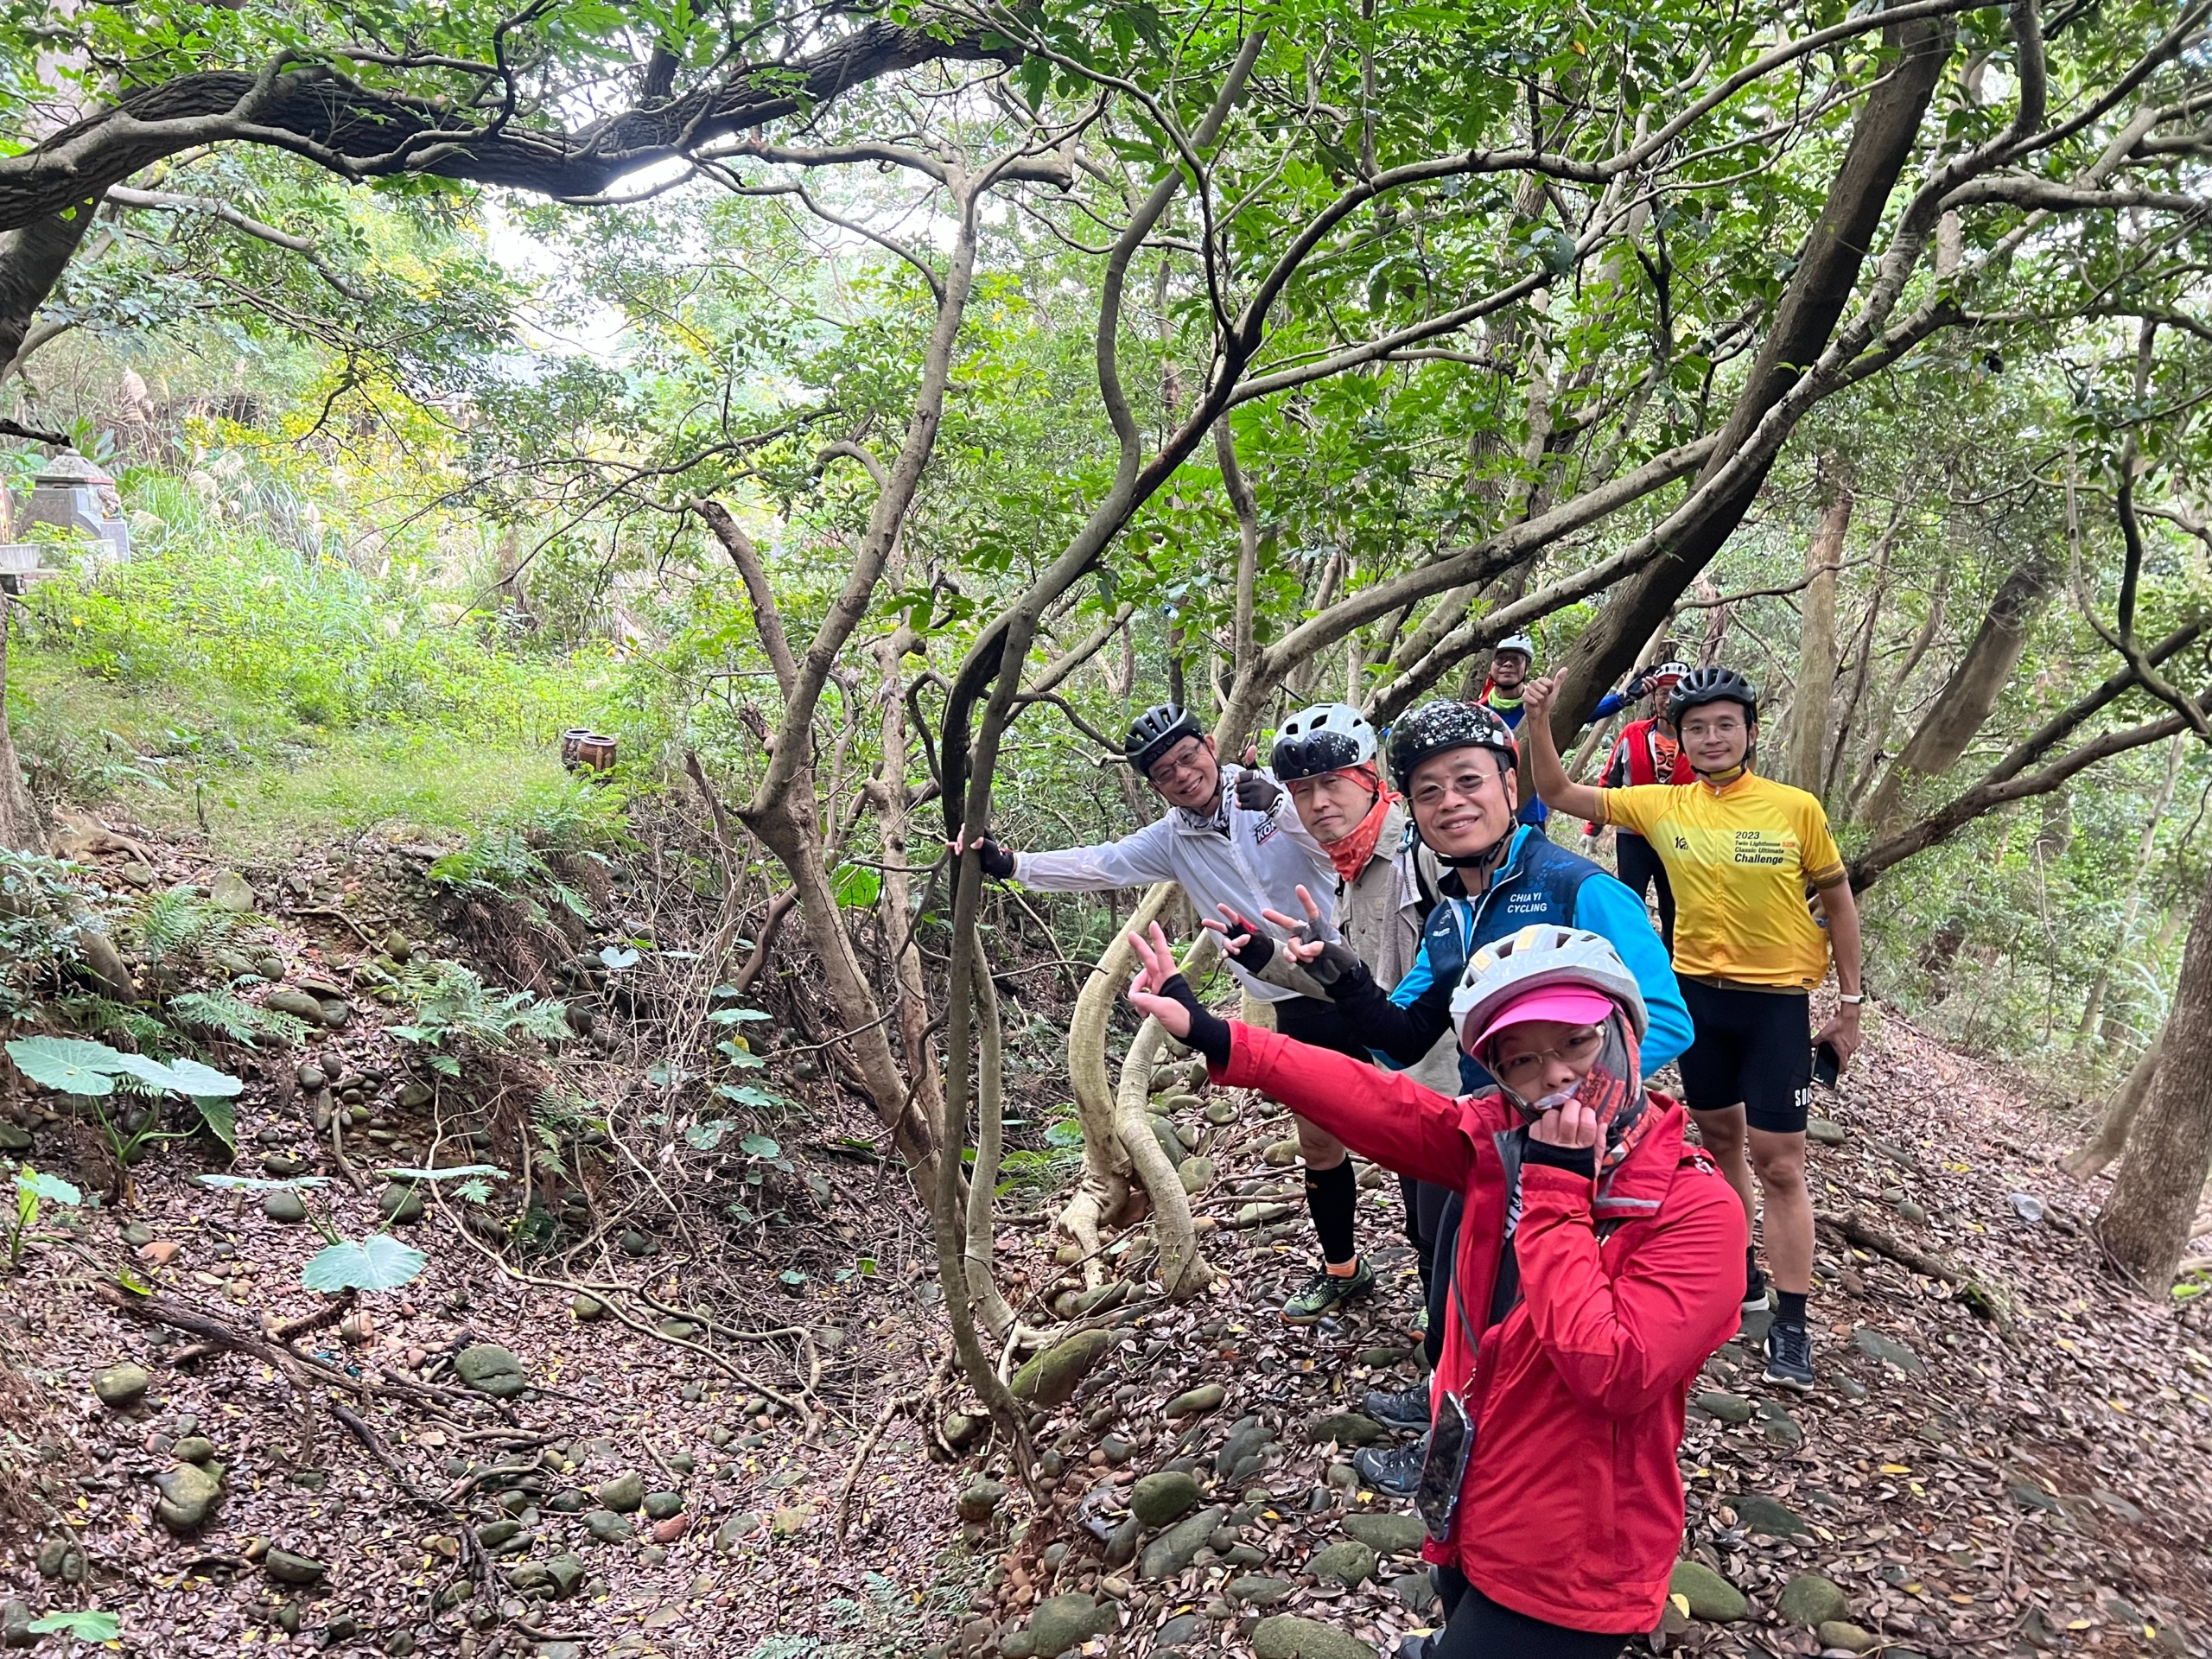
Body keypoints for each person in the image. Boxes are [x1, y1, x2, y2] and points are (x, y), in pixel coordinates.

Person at [1126, 921, 1744, 1659]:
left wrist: (1556, 1191)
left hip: (1575, 1555)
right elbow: (1377, 1101)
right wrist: (1220, 1037)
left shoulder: (1695, 1209)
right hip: (1473, 1492)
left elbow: (1611, 1370)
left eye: (1577, 1043)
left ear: (1625, 1032)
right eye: (1522, 1060)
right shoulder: (1500, 1142)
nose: (1556, 1077)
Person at [1218, 699, 1693, 1491]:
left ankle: (1497, 1470)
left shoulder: (1579, 888)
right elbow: (1400, 1038)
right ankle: (1454, 1426)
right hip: (1486, 1145)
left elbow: (1666, 1019)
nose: (1451, 803)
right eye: (1429, 791)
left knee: (1543, 1317)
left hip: (1575, 1151)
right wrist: (1338, 972)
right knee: (1465, 1291)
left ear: (1510, 786)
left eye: (1468, 782)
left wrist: (1554, 1105)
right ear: (1412, 807)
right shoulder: (1454, 915)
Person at [956, 702, 1378, 1325]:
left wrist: (1280, 808)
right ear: (1154, 786)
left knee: (1418, 1106)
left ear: (1210, 745)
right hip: (1289, 994)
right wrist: (1013, 865)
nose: (1183, 775)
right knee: (1319, 1142)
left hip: (1365, 966)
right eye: (1165, 772)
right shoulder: (1172, 840)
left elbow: (1353, 836)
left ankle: (1448, 1256)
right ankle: (1343, 1267)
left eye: (1188, 757)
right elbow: (1100, 863)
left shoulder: (1280, 790)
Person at [1518, 664, 1866, 1392]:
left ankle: (1793, 1322)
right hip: (1698, 999)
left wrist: (1851, 1004)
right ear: (1678, 738)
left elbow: (1838, 903)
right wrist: (1542, 720)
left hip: (1775, 1004)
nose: (1711, 738)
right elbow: (1558, 792)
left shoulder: (1795, 808)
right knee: (1722, 1143)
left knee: (1781, 1163)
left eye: (1725, 725)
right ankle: (1741, 1276)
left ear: (1750, 732)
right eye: (1696, 728)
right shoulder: (1663, 804)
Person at [1201, 703, 1461, 1380]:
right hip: (1415, 1085)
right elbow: (1360, 987)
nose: (1318, 803)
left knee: (1450, 1237)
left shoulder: (1422, 855)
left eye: (1331, 783)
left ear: (1372, 779)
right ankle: (1447, 1368)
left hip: (1458, 1090)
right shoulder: (1353, 870)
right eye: (1302, 790)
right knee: (1429, 1231)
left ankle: (1458, 1386)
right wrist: (1263, 955)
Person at [1595, 660, 1692, 952]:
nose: (1668, 699)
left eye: (1676, 692)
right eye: (1662, 692)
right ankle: (1630, 957)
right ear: (1653, 697)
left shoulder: (1697, 739)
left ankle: (1673, 964)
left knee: (1674, 907)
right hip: (1633, 835)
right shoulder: (1632, 734)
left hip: (1678, 836)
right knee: (1630, 902)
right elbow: (1610, 779)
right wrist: (1593, 827)